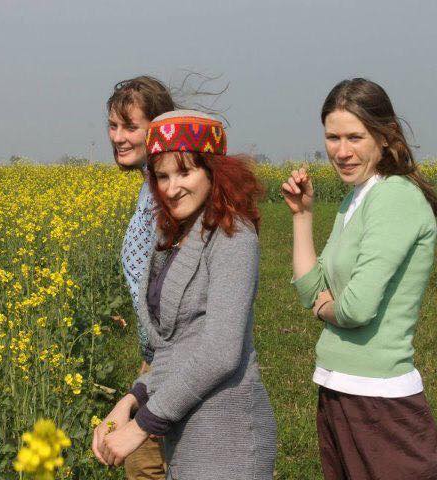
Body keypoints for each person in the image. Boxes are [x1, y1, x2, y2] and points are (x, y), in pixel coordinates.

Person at [94, 110, 277, 479]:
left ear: (213, 171)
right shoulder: (176, 238)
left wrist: (142, 425)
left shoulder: (232, 236)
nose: (172, 187)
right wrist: (130, 401)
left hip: (228, 435)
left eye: (185, 172)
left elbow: (220, 351)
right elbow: (176, 344)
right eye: (162, 176)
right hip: (190, 433)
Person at [283, 78, 437, 479]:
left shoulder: (394, 196)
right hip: (340, 389)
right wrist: (302, 216)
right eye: (333, 137)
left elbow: (356, 308)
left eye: (355, 136)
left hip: (379, 401)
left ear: (385, 137)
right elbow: (309, 290)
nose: (342, 151)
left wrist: (328, 306)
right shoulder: (358, 197)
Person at [100, 75, 175, 479]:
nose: (118, 137)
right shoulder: (151, 187)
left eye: (130, 126)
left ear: (158, 128)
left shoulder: (168, 190)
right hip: (155, 358)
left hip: (176, 358)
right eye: (113, 126)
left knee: (150, 467)